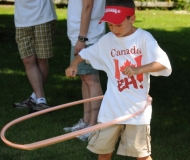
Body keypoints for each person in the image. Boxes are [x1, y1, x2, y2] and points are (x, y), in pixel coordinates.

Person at [65, 0, 172, 159]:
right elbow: (87, 53)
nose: (114, 29)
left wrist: (139, 69)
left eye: (118, 24)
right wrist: (74, 64)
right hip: (111, 108)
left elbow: (163, 63)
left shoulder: (143, 38)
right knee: (104, 153)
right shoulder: (108, 40)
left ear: (132, 18)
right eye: (109, 25)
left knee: (142, 155)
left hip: (137, 109)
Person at [63, 0, 105, 141]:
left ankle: (93, 126)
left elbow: (88, 6)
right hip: (81, 36)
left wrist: (82, 38)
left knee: (91, 79)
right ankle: (86, 122)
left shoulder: (84, 38)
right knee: (85, 78)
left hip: (87, 37)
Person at [13, 1, 57, 113]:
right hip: (22, 18)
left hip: (43, 16)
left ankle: (40, 100)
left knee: (41, 59)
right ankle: (38, 99)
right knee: (27, 60)